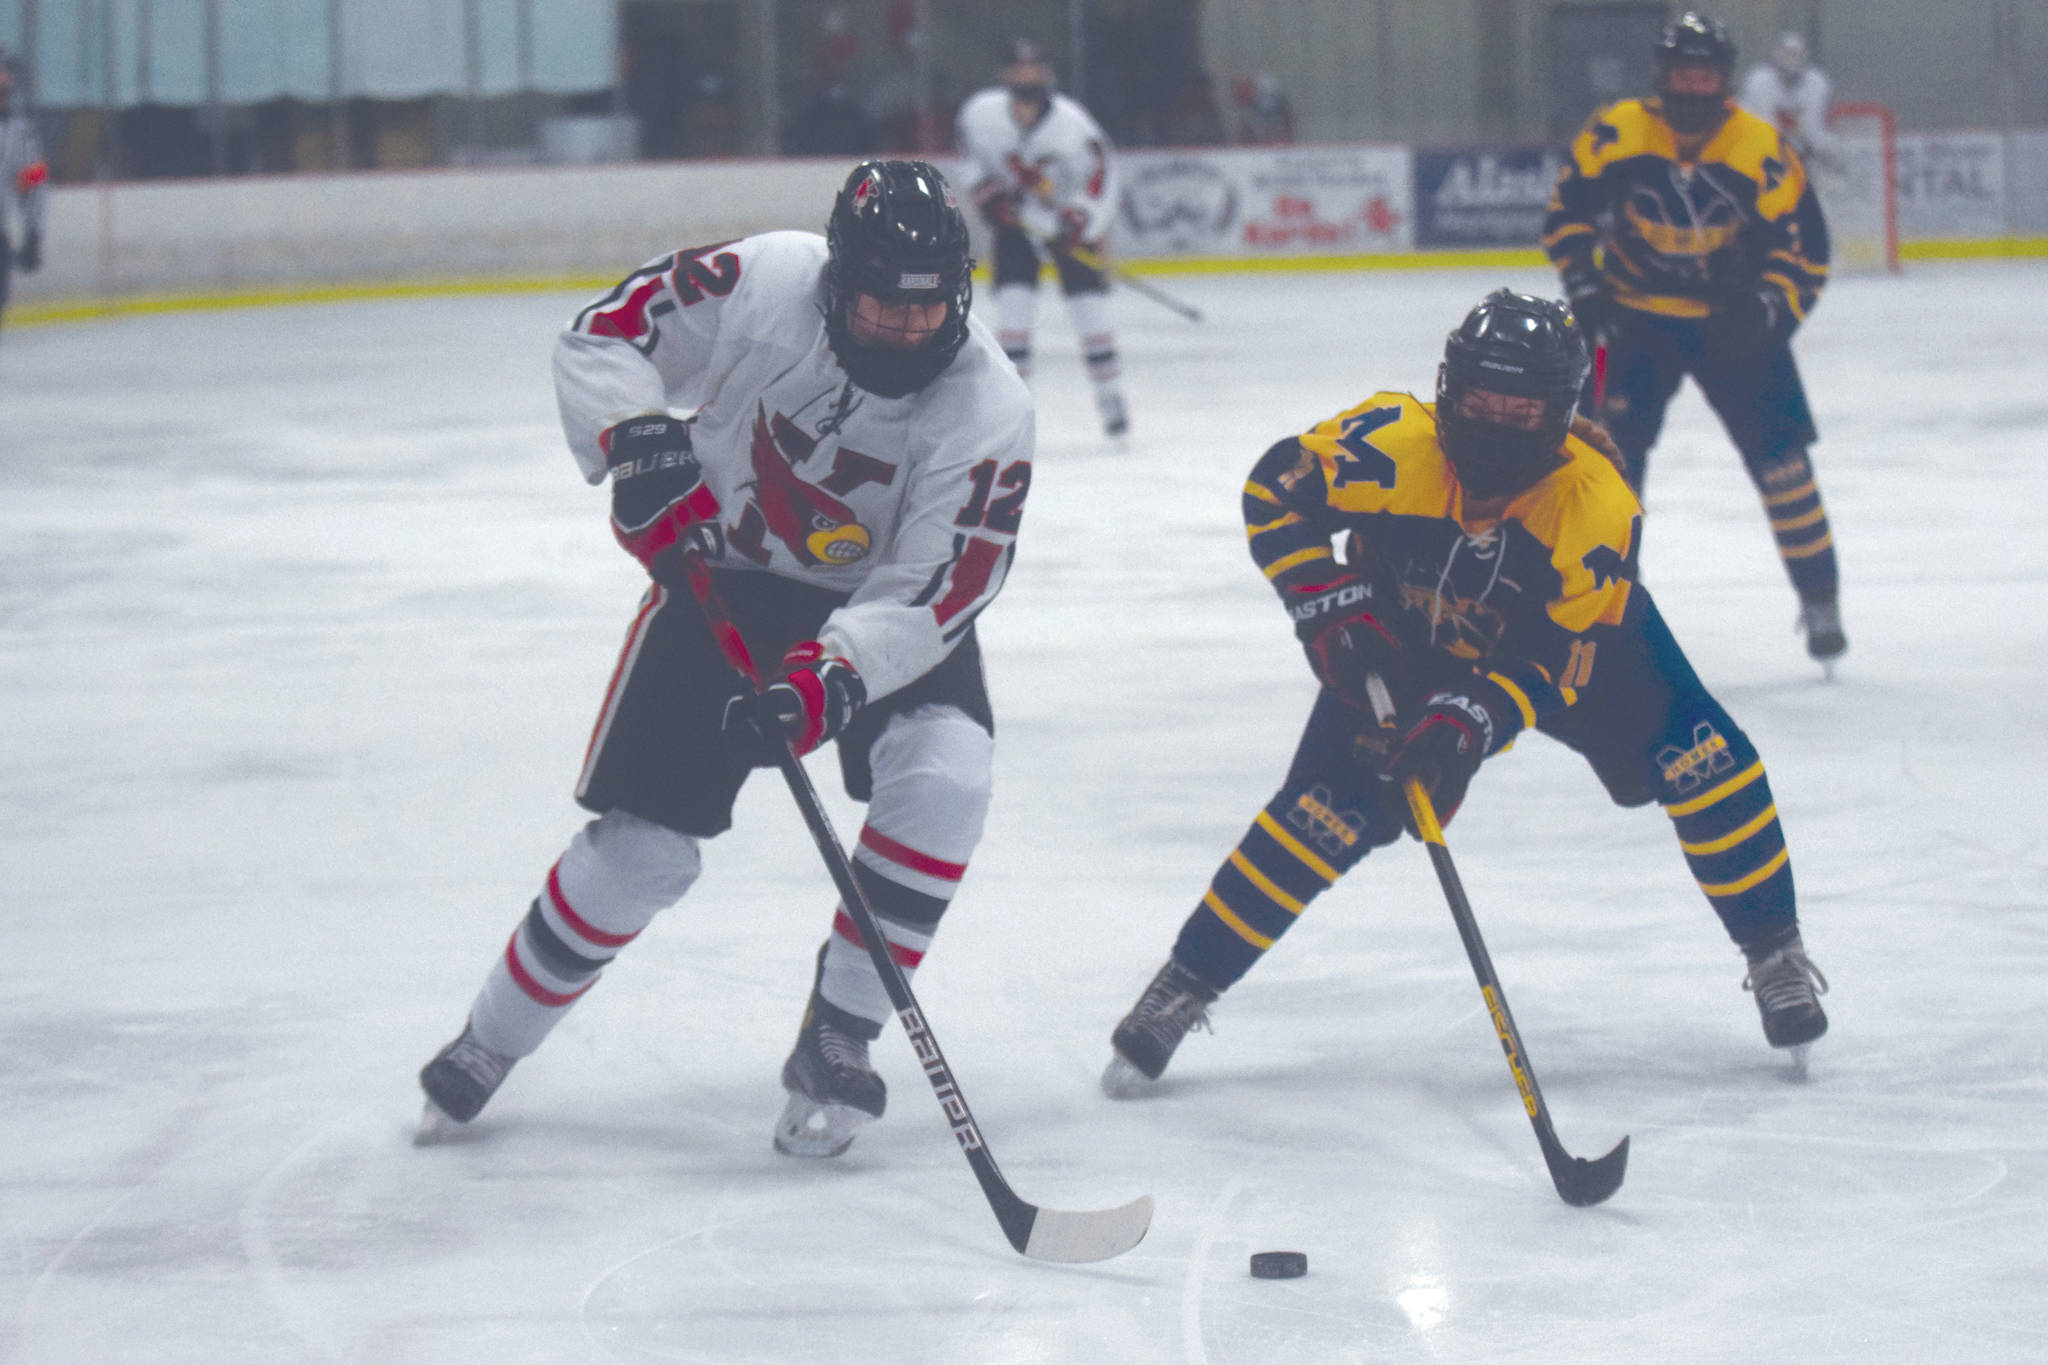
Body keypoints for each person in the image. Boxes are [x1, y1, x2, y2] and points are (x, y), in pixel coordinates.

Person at [417, 160, 1036, 1161]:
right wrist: (636, 443)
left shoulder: (987, 408)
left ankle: (840, 1031)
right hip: (728, 575)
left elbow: (940, 586)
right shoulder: (763, 281)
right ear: (839, 279)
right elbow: (605, 334)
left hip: (876, 605)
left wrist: (830, 677)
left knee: (948, 770)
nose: (907, 331)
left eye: (928, 313)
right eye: (882, 306)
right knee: (643, 852)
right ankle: (490, 1040)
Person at [1102, 289, 1830, 1097]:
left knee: (1709, 762)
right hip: (1402, 638)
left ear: (1559, 411)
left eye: (1521, 408)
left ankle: (1773, 950)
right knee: (1322, 810)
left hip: (1579, 647)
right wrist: (1326, 603)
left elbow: (1563, 657)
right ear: (1449, 387)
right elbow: (1273, 490)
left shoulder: (1595, 508)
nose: (1494, 422)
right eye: (1482, 399)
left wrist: (1472, 717)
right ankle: (1185, 982)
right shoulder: (1388, 442)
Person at [1543, 12, 1846, 670]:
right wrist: (1584, 286)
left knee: (1784, 465)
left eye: (1705, 75)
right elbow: (1565, 211)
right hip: (1630, 319)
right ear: (1662, 78)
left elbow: (1809, 252)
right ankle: (1604, 608)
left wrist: (1770, 312)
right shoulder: (1616, 130)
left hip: (1730, 320)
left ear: (1724, 80)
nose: (1693, 87)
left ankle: (1821, 600)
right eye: (1682, 74)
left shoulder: (1761, 147)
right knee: (1604, 466)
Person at [955, 38, 1130, 437]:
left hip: (1067, 227)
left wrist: (1081, 220)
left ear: (1046, 73)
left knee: (1090, 312)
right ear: (1006, 75)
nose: (1027, 76)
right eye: (1019, 69)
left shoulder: (1073, 123)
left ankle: (1110, 394)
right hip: (1016, 225)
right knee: (1013, 315)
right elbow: (967, 157)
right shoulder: (980, 114)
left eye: (1033, 69)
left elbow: (1102, 176)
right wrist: (986, 194)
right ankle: (1013, 406)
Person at [0, 44, 49, 333]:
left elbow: (34, 180)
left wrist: (33, 234)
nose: (6, 78)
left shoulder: (20, 129)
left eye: (7, 71)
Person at [1738, 32, 1836, 168]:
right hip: (1763, 159)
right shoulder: (1758, 81)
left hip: (1805, 159)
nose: (1791, 60)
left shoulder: (1816, 83)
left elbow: (1819, 135)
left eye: (1796, 55)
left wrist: (1799, 127)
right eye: (1787, 54)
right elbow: (1746, 125)